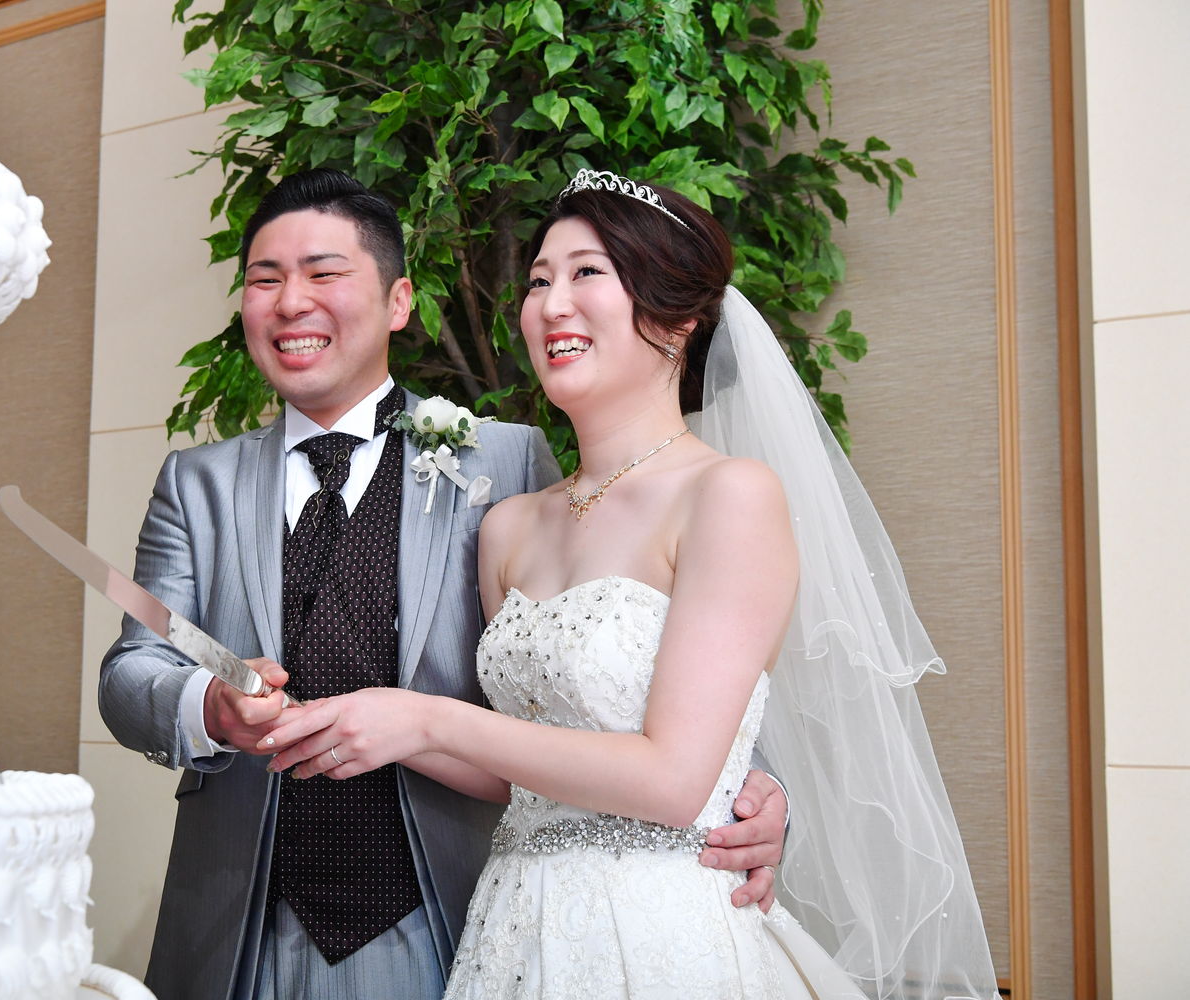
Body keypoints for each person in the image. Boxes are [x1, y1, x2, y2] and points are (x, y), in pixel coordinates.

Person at [260, 169, 1001, 999]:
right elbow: (521, 773)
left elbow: (674, 779)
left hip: (660, 932)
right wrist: (351, 723)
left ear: (678, 318)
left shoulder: (728, 496)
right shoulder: (511, 526)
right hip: (512, 928)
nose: (552, 305)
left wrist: (427, 717)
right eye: (539, 280)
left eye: (587, 273)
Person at [98, 168, 791, 1000]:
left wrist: (756, 790)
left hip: (441, 919)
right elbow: (132, 670)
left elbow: (669, 688)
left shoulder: (503, 462)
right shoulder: (198, 483)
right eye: (265, 280)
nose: (291, 302)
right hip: (245, 920)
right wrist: (209, 708)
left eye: (323, 273)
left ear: (399, 301)